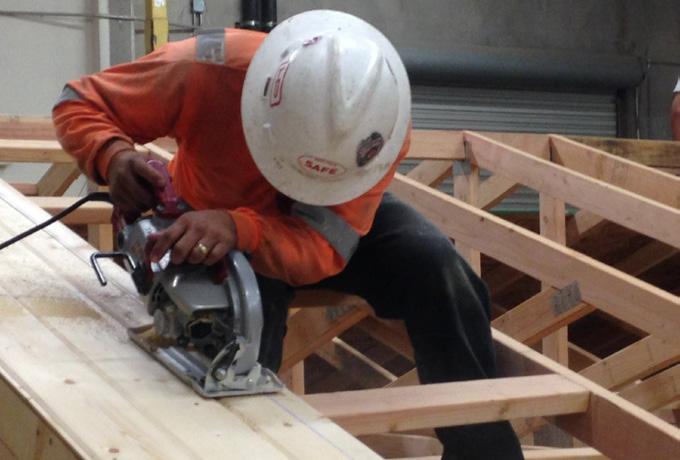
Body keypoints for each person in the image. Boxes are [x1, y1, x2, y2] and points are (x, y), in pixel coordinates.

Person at [52, 10, 523, 459]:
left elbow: (323, 247)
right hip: (209, 217)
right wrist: (112, 155)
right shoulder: (209, 66)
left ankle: (482, 453)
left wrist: (242, 228)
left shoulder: (381, 128)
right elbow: (79, 100)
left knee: (440, 271)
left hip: (325, 222)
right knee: (241, 341)